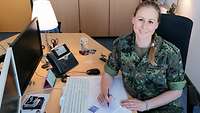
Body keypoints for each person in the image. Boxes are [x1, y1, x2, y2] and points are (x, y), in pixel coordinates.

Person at [97, 1, 186, 113]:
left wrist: (146, 105)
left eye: (150, 21)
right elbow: (109, 72)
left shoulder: (171, 53)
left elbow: (177, 91)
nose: (144, 26)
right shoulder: (120, 44)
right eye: (140, 20)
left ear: (156, 25)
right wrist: (105, 92)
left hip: (163, 106)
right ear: (133, 19)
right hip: (129, 101)